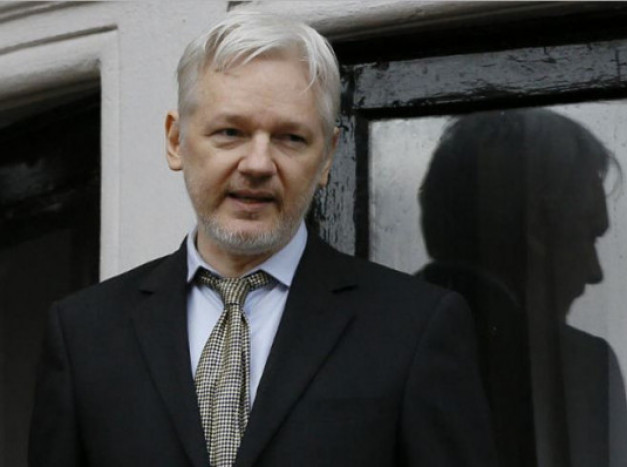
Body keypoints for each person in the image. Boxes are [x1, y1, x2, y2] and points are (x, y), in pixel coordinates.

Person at [28, 12, 496, 467]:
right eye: (230, 132)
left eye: (290, 138)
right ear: (176, 140)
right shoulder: (84, 334)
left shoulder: (413, 329)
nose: (257, 164)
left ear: (327, 157)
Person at [418, 109, 627, 467]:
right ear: (537, 228)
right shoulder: (582, 367)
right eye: (587, 236)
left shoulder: (368, 338)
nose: (594, 273)